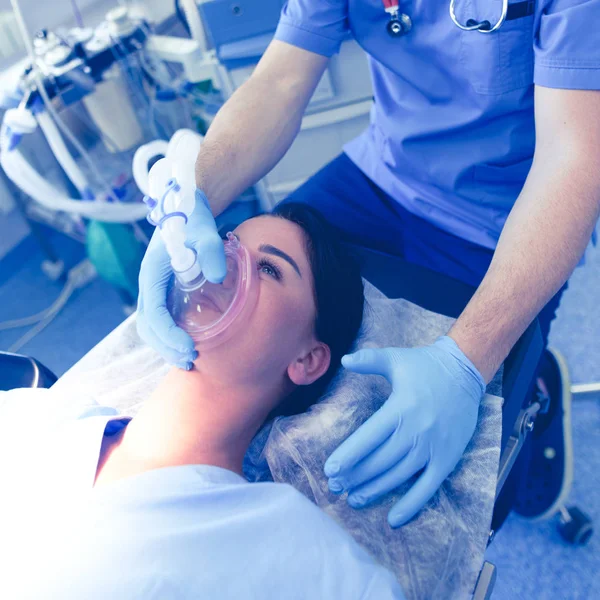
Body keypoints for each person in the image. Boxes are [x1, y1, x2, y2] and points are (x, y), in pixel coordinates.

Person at [138, 1, 600, 528]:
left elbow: (574, 157)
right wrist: (195, 200)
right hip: (378, 172)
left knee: (472, 437)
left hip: (506, 212)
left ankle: (534, 387)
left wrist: (468, 361)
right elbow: (282, 78)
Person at [1, 204, 406, 600]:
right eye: (225, 243)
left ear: (307, 359)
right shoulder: (43, 414)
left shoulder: (282, 542)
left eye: (269, 268)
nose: (225, 265)